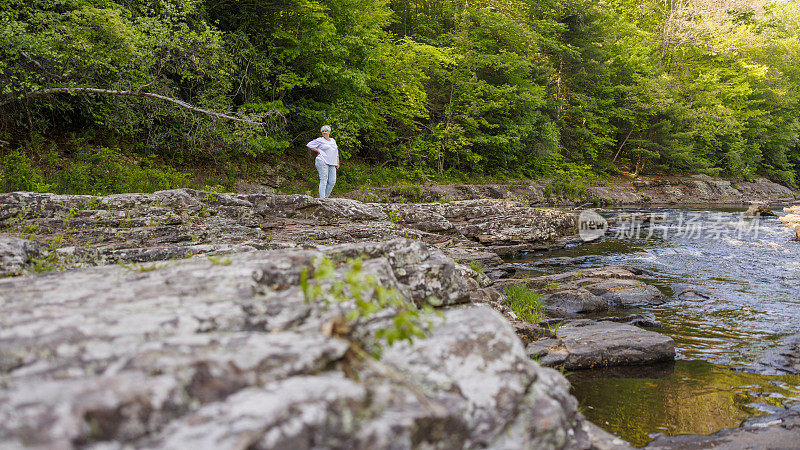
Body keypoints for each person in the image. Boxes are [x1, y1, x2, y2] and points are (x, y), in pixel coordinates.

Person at [307, 125, 339, 198]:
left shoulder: (333, 140)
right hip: (322, 160)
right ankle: (322, 198)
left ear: (329, 132)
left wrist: (338, 162)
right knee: (324, 179)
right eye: (323, 131)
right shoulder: (320, 140)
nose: (324, 132)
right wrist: (317, 150)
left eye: (326, 131)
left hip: (332, 162)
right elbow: (309, 145)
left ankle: (325, 197)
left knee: (332, 181)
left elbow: (336, 152)